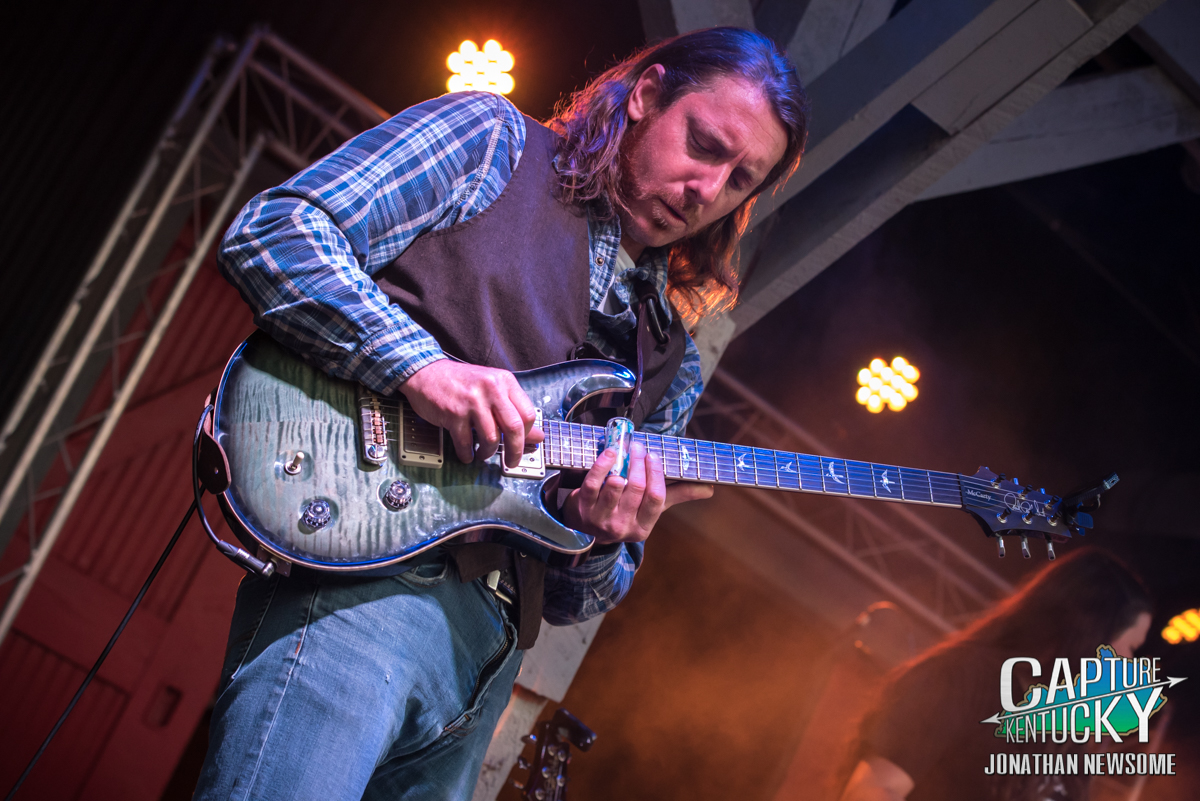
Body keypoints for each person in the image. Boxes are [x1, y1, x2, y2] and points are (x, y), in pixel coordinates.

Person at [194, 27, 810, 800]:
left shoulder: (671, 360)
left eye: (738, 179)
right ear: (648, 95)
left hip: (485, 671)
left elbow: (577, 597)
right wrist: (421, 368)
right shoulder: (493, 143)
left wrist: (598, 532)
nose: (706, 189)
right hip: (361, 587)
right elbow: (276, 234)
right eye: (704, 144)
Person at [838, 548, 1153, 801]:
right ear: (1088, 632)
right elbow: (872, 790)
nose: (1127, 664)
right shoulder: (961, 678)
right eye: (1130, 648)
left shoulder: (1070, 742)